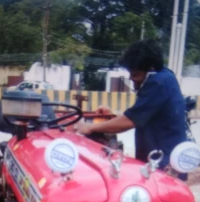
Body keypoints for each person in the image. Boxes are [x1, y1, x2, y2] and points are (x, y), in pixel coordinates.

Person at [76, 39, 187, 177]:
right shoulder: (166, 76)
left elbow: (129, 121)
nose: (132, 78)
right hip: (163, 158)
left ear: (150, 68)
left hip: (163, 163)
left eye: (135, 74)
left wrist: (89, 127)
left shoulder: (158, 82)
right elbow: (143, 115)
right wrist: (112, 115)